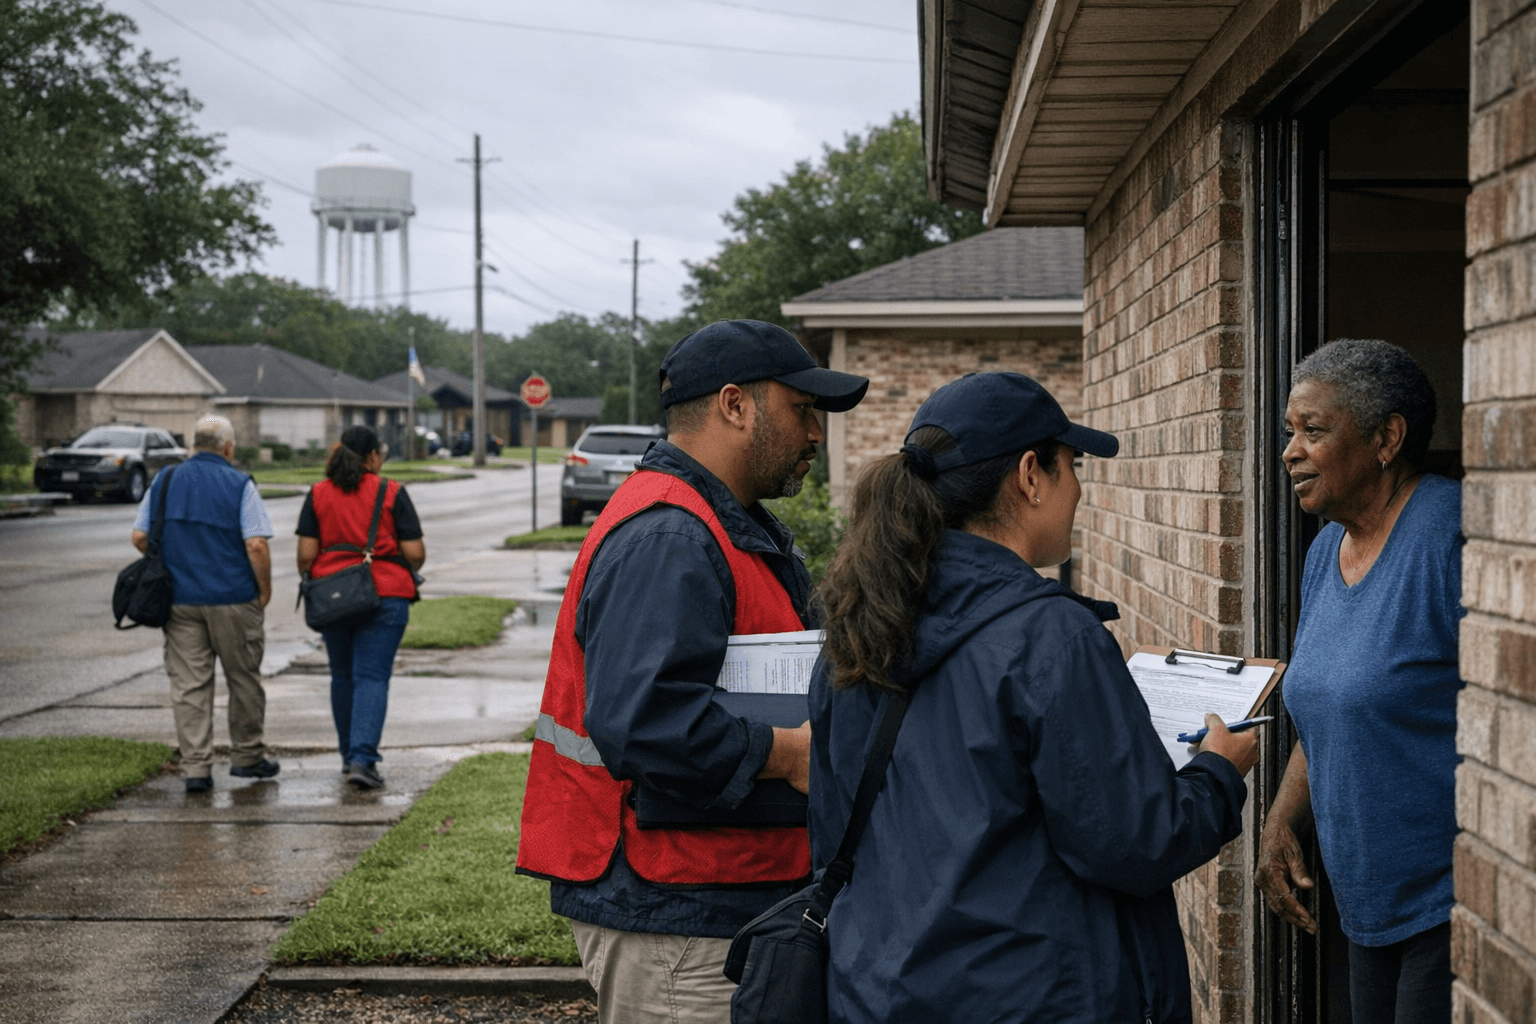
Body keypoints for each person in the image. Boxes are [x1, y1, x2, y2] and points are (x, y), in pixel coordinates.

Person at [808, 372, 1259, 1023]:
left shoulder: (856, 623)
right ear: (1030, 474)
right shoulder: (1052, 635)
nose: (1078, 489)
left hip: (879, 991)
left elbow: (832, 831)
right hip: (1033, 1000)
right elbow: (1134, 842)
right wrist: (1219, 770)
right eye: (1073, 466)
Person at [516, 319, 869, 1023]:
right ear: (735, 406)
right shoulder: (670, 535)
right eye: (802, 409)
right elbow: (645, 723)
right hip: (674, 916)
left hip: (711, 898)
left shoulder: (721, 519)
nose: (815, 435)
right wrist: (788, 753)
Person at [1254, 339, 1460, 1023]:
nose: (1291, 451)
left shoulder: (1446, 536)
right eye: (1292, 432)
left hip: (1450, 904)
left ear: (1386, 438)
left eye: (1314, 430)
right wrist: (1283, 818)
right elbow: (1334, 706)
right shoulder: (1325, 552)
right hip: (1365, 904)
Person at [131, 415, 277, 794]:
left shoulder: (164, 481)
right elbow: (256, 544)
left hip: (179, 601)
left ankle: (196, 767)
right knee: (243, 678)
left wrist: (174, 559)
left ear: (195, 444)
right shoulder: (239, 483)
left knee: (189, 686)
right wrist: (263, 589)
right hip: (232, 598)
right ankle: (247, 757)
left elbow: (139, 536)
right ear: (228, 447)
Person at [295, 426, 425, 791]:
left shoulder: (318, 493)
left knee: (342, 674)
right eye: (380, 454)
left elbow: (306, 555)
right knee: (372, 676)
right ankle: (362, 760)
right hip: (385, 596)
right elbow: (415, 555)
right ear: (371, 457)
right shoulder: (391, 492)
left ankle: (347, 755)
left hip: (333, 600)